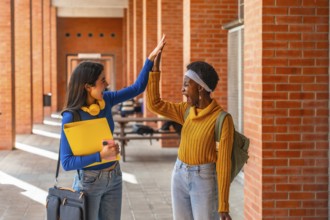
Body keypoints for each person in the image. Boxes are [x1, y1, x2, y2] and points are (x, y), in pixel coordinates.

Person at [59, 35, 166, 220]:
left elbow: (137, 88)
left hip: (114, 176)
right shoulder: (71, 116)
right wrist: (100, 156)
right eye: (102, 81)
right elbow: (67, 162)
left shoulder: (106, 100)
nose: (107, 84)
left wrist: (150, 59)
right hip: (89, 181)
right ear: (87, 86)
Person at [146, 45, 234, 220]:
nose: (182, 90)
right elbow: (154, 104)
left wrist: (223, 205)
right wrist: (155, 71)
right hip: (179, 174)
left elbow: (224, 164)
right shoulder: (185, 111)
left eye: (186, 85)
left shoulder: (222, 120)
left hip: (204, 180)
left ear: (200, 88)